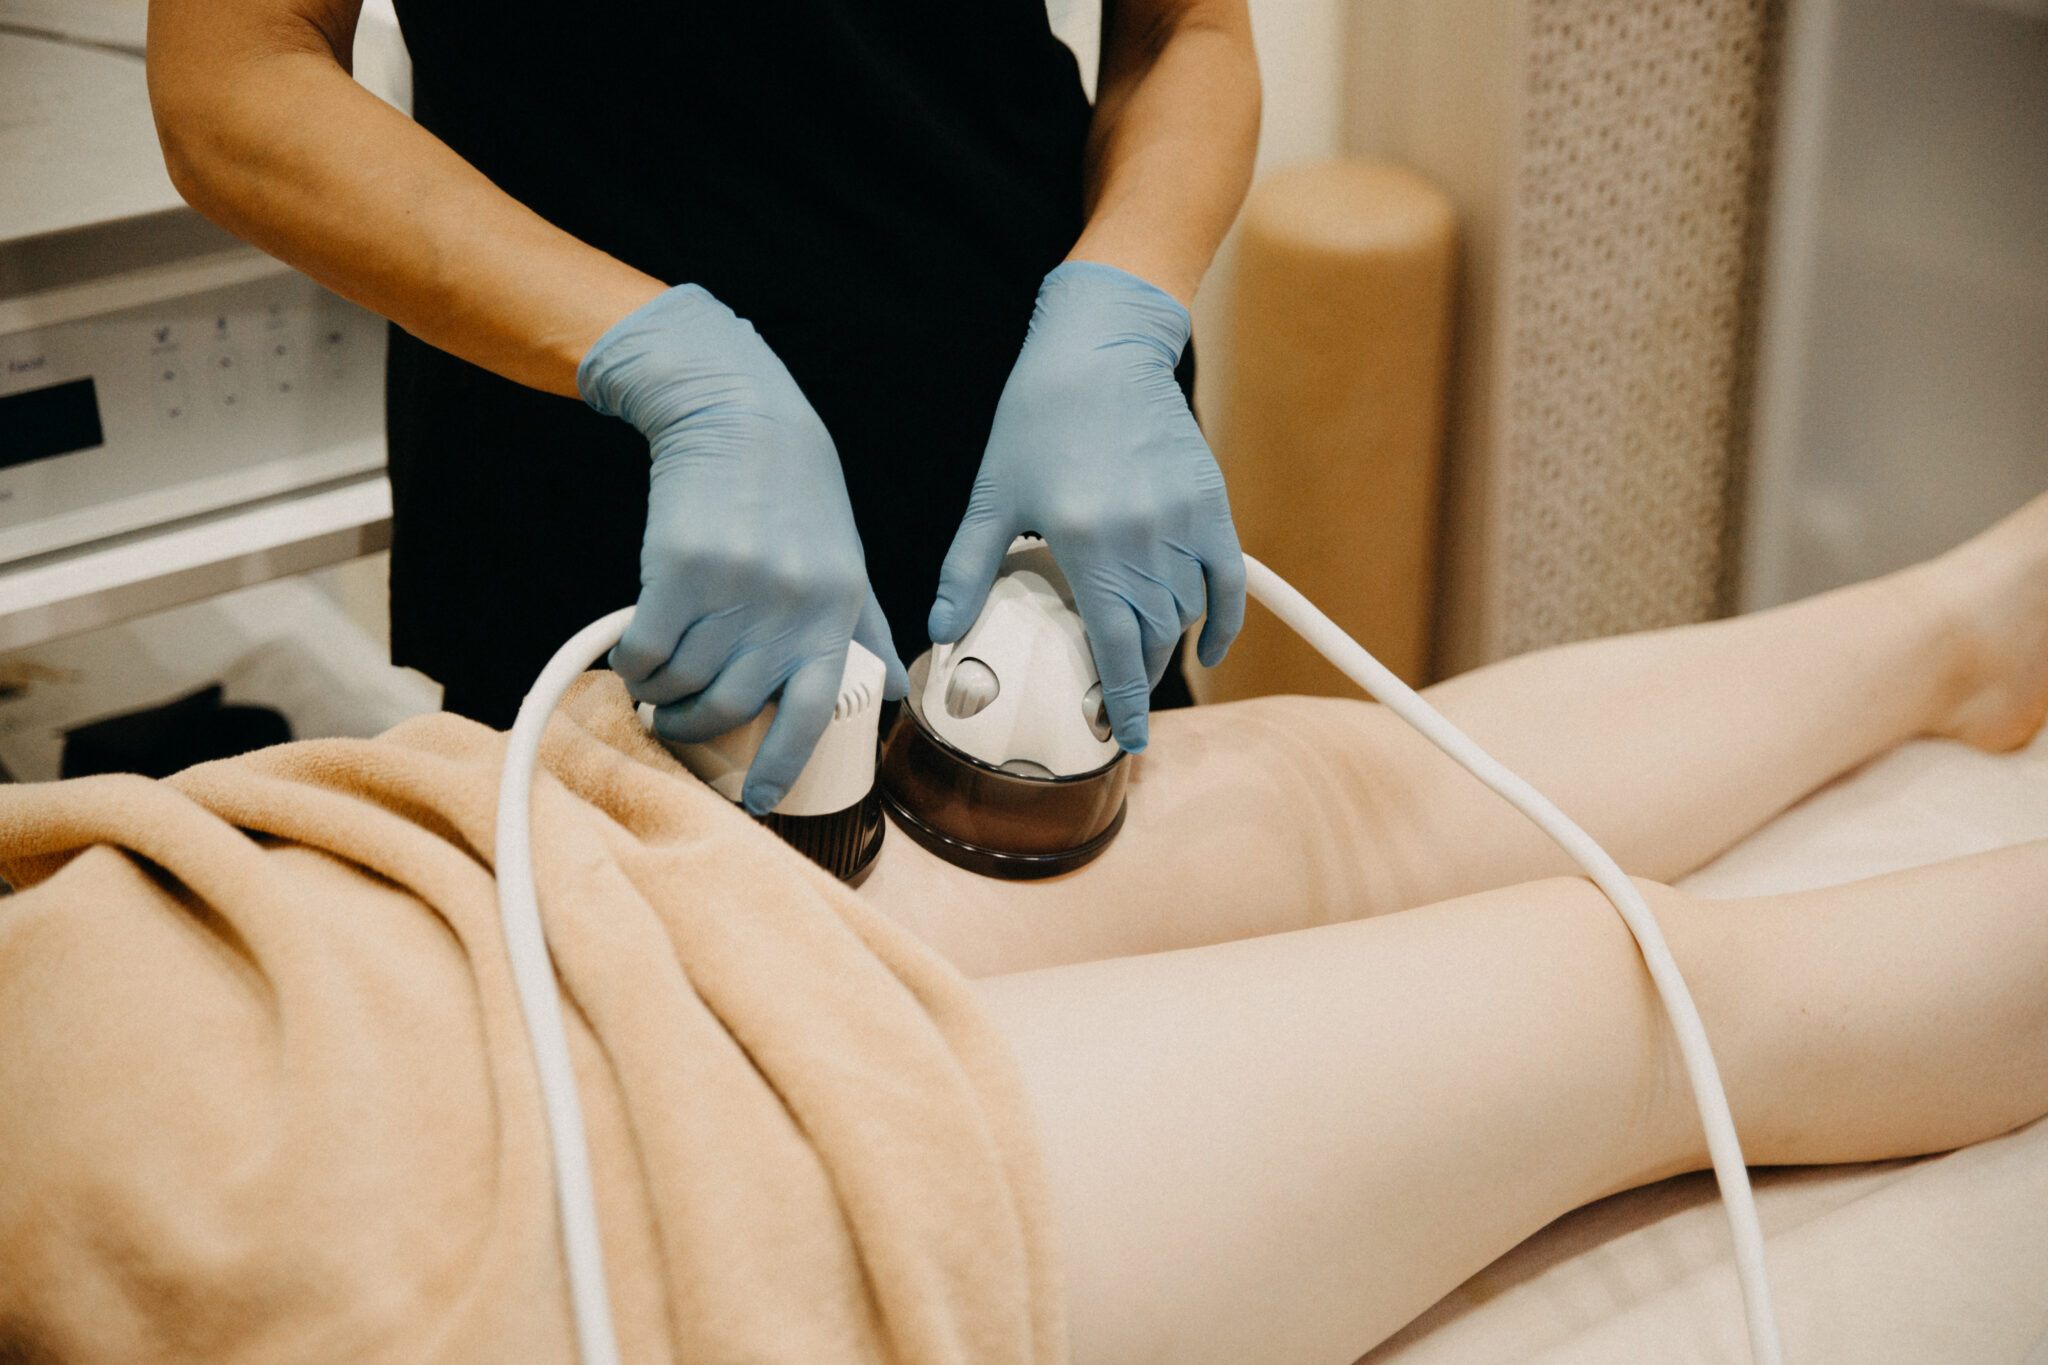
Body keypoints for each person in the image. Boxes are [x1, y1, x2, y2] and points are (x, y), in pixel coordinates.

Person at [850, 491, 2048, 1362]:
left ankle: (1961, 629)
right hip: (756, 1214)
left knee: (1327, 801)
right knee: (1610, 992)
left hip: (728, 922)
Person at [145, 0, 1257, 815]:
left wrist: (1123, 305)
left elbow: (1186, 30)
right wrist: (675, 367)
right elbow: (234, 79)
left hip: (1049, 469)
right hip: (608, 499)